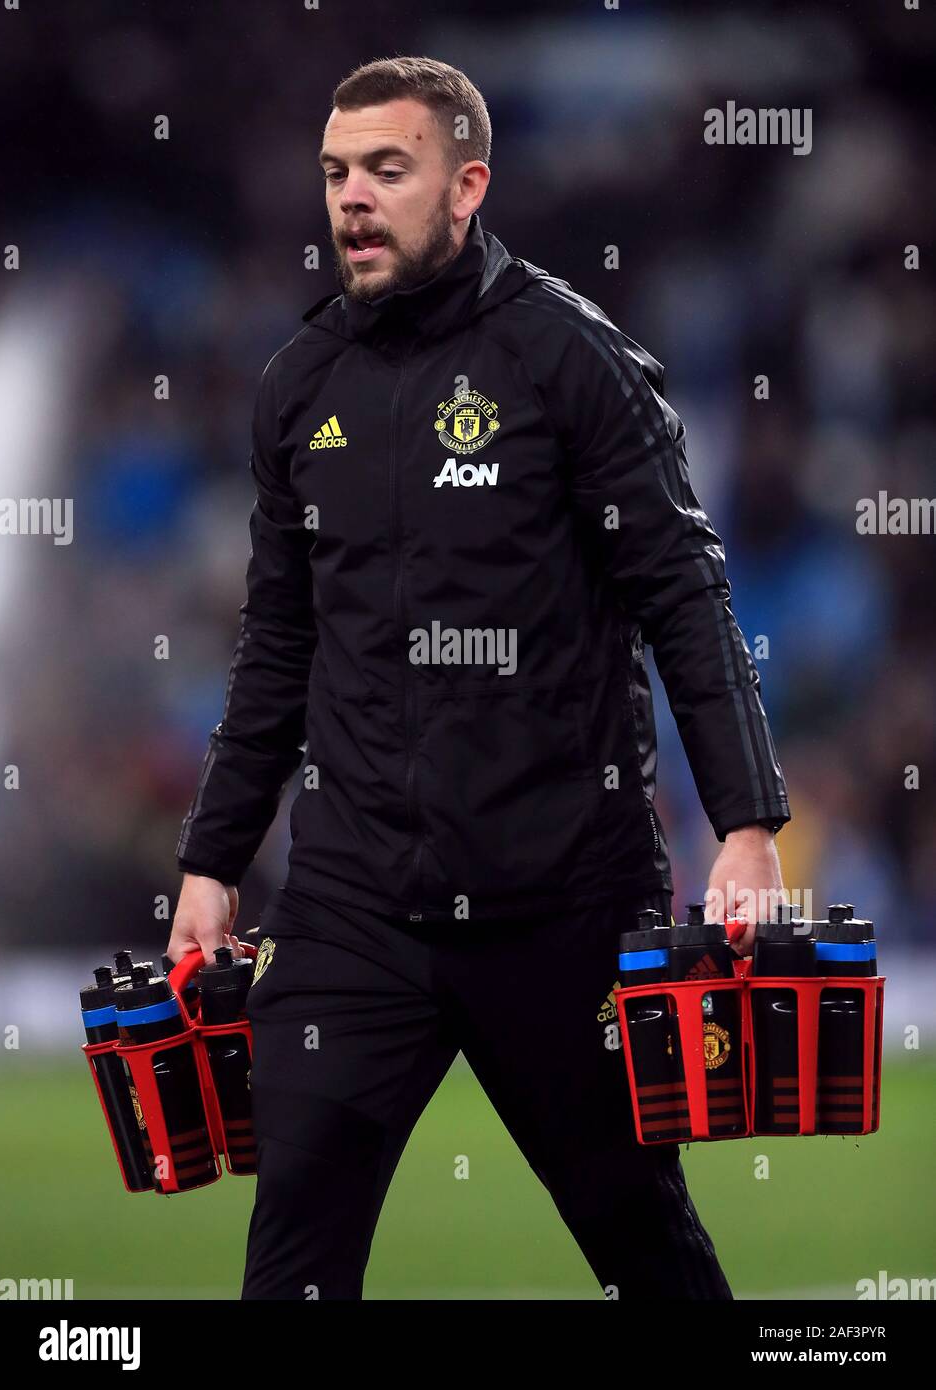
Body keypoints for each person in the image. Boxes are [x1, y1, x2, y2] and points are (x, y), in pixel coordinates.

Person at [168, 55, 789, 1300]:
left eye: (385, 171)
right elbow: (277, 646)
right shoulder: (298, 389)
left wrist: (746, 826)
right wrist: (212, 858)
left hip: (558, 900)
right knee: (289, 1257)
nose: (350, 198)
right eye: (336, 173)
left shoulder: (573, 363)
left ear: (466, 186)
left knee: (643, 1247)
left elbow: (684, 591)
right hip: (353, 909)